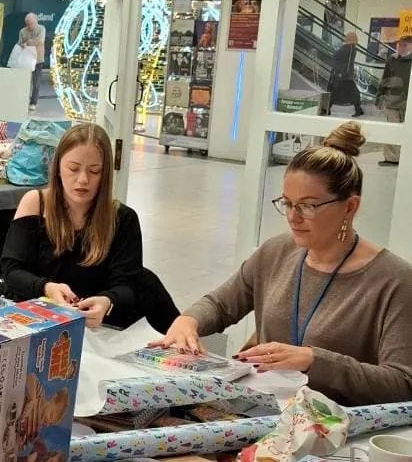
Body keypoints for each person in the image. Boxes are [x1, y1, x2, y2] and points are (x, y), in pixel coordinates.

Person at [154, 122, 412, 407]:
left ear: (350, 207)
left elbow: (403, 383)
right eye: (287, 203)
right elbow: (220, 304)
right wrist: (188, 321)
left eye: (308, 206)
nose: (293, 217)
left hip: (336, 431)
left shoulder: (394, 281)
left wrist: (314, 360)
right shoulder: (276, 253)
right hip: (264, 413)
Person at [0, 124, 179, 332]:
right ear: (58, 167)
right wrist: (46, 288)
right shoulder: (36, 203)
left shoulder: (122, 218)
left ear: (105, 175)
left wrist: (107, 301)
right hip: (42, 320)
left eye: (94, 171)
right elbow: (11, 270)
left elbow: (128, 284)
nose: (83, 180)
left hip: (103, 327)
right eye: (73, 169)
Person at [377, 34, 412, 165]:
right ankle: (391, 158)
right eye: (400, 45)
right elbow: (385, 78)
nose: (401, 47)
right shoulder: (392, 59)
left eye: (405, 45)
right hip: (392, 101)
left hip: (409, 103)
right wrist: (379, 96)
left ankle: (407, 158)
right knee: (392, 131)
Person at [328, 31, 364, 118]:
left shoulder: (346, 48)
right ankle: (358, 109)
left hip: (341, 75)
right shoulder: (352, 49)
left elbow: (334, 58)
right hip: (347, 75)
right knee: (354, 92)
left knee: (333, 92)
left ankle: (327, 109)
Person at [19, 13, 46, 111]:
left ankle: (33, 102)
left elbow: (40, 41)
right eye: (28, 24)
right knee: (24, 82)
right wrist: (23, 44)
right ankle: (22, 100)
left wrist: (28, 42)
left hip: (38, 59)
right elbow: (20, 42)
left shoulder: (41, 29)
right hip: (26, 59)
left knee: (36, 82)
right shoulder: (22, 31)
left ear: (36, 21)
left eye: (31, 23)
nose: (30, 26)